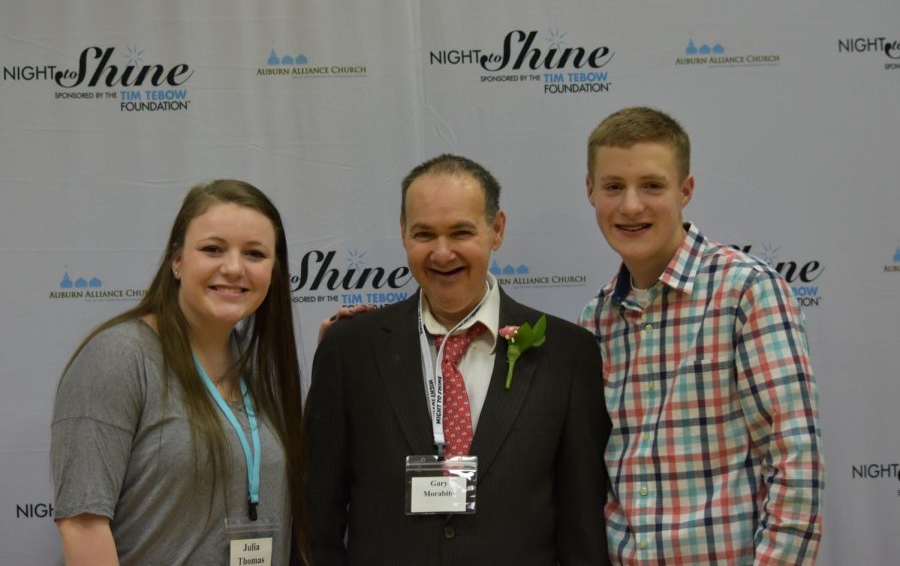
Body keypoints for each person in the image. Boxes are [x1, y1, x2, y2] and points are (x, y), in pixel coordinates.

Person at [305, 155, 612, 565]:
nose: (442, 253)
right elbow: (317, 519)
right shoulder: (349, 350)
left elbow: (581, 526)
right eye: (424, 234)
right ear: (403, 233)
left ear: (496, 229)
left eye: (461, 232)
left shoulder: (566, 353)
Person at [578, 107, 824, 564]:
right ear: (591, 191)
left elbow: (796, 464)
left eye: (652, 185)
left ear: (685, 190)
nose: (631, 206)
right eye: (614, 187)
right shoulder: (595, 320)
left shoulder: (746, 291)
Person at [51, 180, 305, 565]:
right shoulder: (120, 357)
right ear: (177, 261)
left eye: (254, 253)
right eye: (212, 249)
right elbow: (83, 524)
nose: (234, 268)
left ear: (273, 270)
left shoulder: (261, 370)